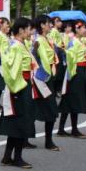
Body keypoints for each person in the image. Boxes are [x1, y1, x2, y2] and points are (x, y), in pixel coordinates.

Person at [0, 17, 37, 169]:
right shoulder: (16, 46)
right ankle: (17, 157)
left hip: (23, 84)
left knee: (16, 122)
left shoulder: (19, 44)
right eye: (28, 29)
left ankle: (8, 156)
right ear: (21, 30)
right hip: (20, 86)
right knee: (20, 121)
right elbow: (12, 69)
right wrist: (18, 86)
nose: (30, 32)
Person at [57, 20, 86, 139]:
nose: (85, 30)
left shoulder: (79, 41)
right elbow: (70, 59)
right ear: (77, 29)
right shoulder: (73, 42)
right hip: (76, 72)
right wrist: (72, 75)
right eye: (83, 28)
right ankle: (70, 129)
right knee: (72, 99)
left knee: (71, 100)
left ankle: (66, 128)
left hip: (80, 71)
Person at [31, 16, 62, 150]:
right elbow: (35, 58)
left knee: (44, 109)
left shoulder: (48, 39)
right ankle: (47, 141)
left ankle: (45, 140)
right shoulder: (38, 41)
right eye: (49, 23)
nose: (51, 25)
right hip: (41, 79)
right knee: (49, 108)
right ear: (42, 25)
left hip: (49, 77)